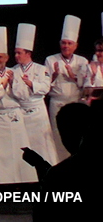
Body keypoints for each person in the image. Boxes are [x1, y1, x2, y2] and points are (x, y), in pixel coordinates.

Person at [0, 27, 38, 185]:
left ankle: (24, 183)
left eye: (0, 57)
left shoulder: (16, 72)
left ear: (6, 57)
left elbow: (23, 96)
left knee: (18, 151)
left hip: (14, 116)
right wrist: (2, 85)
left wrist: (12, 84)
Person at [12, 23, 58, 166]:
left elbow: (45, 87)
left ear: (28, 54)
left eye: (19, 53)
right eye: (15, 53)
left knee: (42, 145)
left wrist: (31, 84)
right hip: (21, 111)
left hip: (37, 112)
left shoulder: (41, 69)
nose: (16, 56)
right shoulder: (12, 70)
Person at [45, 15, 88, 161]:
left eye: (69, 43)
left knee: (77, 134)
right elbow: (45, 85)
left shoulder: (82, 61)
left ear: (75, 45)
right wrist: (54, 75)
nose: (66, 46)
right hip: (57, 103)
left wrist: (73, 76)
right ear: (60, 44)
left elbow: (86, 85)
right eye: (64, 43)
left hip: (75, 102)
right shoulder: (51, 60)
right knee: (58, 135)